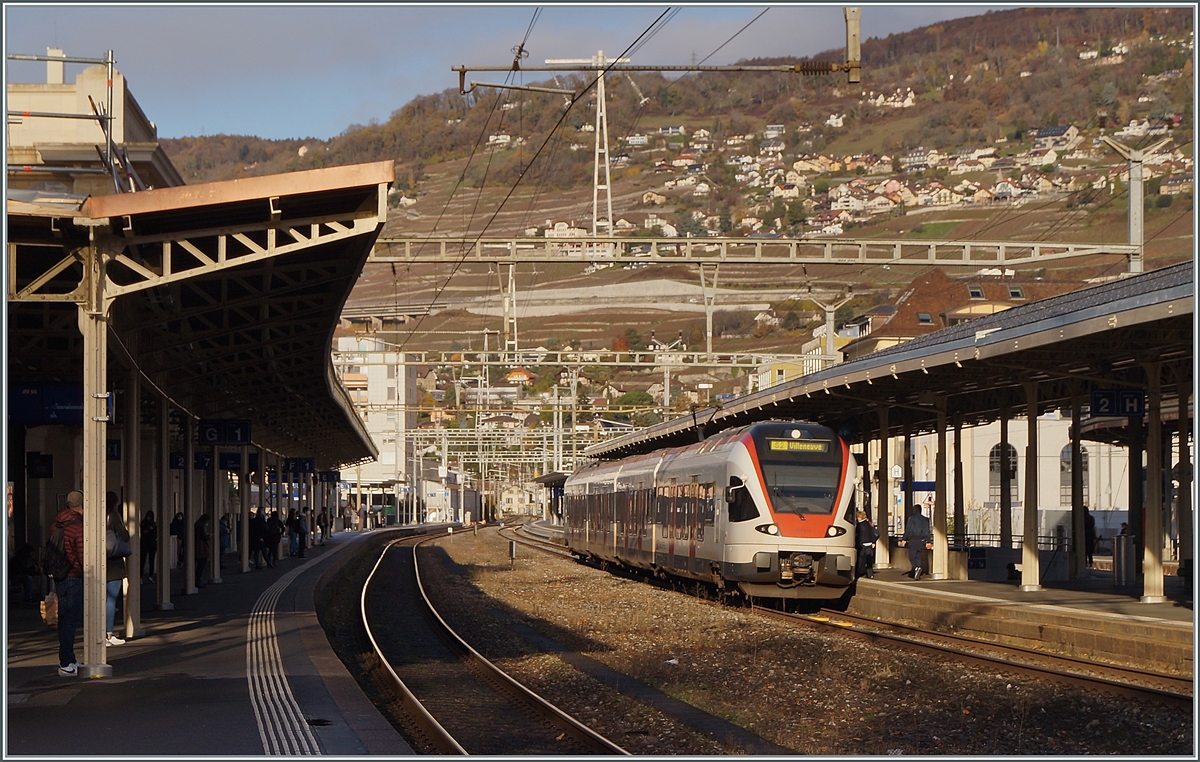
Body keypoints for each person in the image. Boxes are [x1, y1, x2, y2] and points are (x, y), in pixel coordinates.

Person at [55, 490, 85, 676]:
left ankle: (69, 659)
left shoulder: (57, 523)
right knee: (70, 621)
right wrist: (86, 571)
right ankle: (66, 662)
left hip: (60, 575)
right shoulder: (77, 526)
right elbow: (82, 553)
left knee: (64, 619)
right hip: (74, 575)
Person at [105, 492, 130, 646]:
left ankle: (96, 633)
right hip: (113, 562)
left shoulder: (92, 516)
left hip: (95, 561)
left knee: (98, 599)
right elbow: (124, 536)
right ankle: (108, 634)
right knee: (111, 599)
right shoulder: (113, 516)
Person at [902, 508, 932, 580]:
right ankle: (918, 568)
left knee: (912, 556)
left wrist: (904, 538)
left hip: (913, 539)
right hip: (922, 540)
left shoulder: (911, 519)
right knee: (918, 555)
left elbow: (908, 529)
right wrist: (928, 541)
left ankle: (916, 567)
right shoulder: (925, 520)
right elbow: (928, 531)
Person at [854, 510, 879, 579]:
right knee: (869, 560)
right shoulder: (868, 524)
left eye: (857, 517)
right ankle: (870, 574)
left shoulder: (859, 525)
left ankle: (857, 573)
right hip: (869, 543)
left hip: (862, 544)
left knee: (860, 559)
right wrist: (873, 541)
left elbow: (857, 535)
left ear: (859, 517)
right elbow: (873, 533)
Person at [194, 514, 212, 589]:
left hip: (196, 546)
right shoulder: (201, 527)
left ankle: (195, 580)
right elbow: (204, 537)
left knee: (197, 564)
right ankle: (198, 580)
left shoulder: (196, 525)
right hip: (201, 548)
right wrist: (209, 536)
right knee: (201, 565)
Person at [140, 510, 158, 583]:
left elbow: (155, 535)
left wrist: (151, 530)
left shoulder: (154, 525)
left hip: (149, 544)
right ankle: (142, 575)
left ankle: (150, 575)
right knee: (143, 560)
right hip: (146, 543)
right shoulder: (143, 524)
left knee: (151, 560)